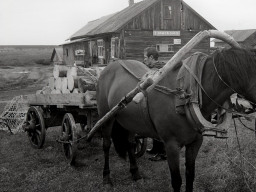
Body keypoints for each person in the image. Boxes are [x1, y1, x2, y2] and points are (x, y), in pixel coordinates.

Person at [143, 47, 166, 161]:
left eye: (145, 58)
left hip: (161, 102)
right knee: (154, 125)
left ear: (151, 58)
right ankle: (155, 148)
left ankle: (162, 153)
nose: (144, 60)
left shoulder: (157, 69)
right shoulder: (159, 66)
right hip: (157, 101)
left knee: (159, 127)